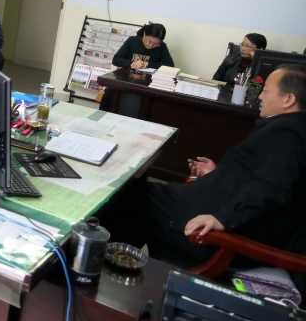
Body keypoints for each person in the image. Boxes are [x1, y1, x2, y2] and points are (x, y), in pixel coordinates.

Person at [104, 64, 306, 266]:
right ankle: (116, 263)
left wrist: (224, 220)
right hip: (212, 201)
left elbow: (272, 190)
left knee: (128, 196)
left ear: (288, 99)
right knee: (133, 189)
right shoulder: (288, 128)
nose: (260, 96)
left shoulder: (289, 136)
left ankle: (105, 265)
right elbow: (257, 175)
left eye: (266, 91)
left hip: (212, 229)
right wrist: (218, 174)